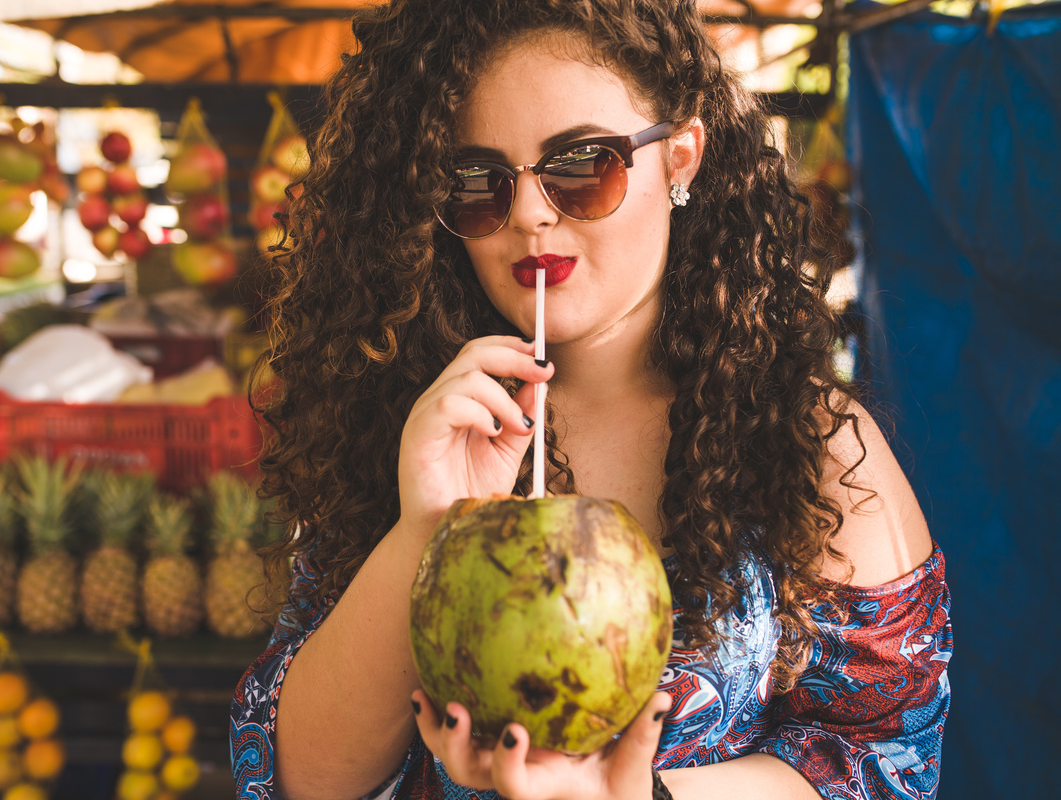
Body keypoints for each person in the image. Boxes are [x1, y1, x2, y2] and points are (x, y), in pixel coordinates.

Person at [231, 0, 952, 798]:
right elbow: (293, 778)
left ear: (680, 159)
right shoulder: (415, 423)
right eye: (477, 182)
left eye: (581, 164)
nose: (528, 214)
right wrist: (425, 528)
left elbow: (884, 758)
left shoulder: (806, 440)